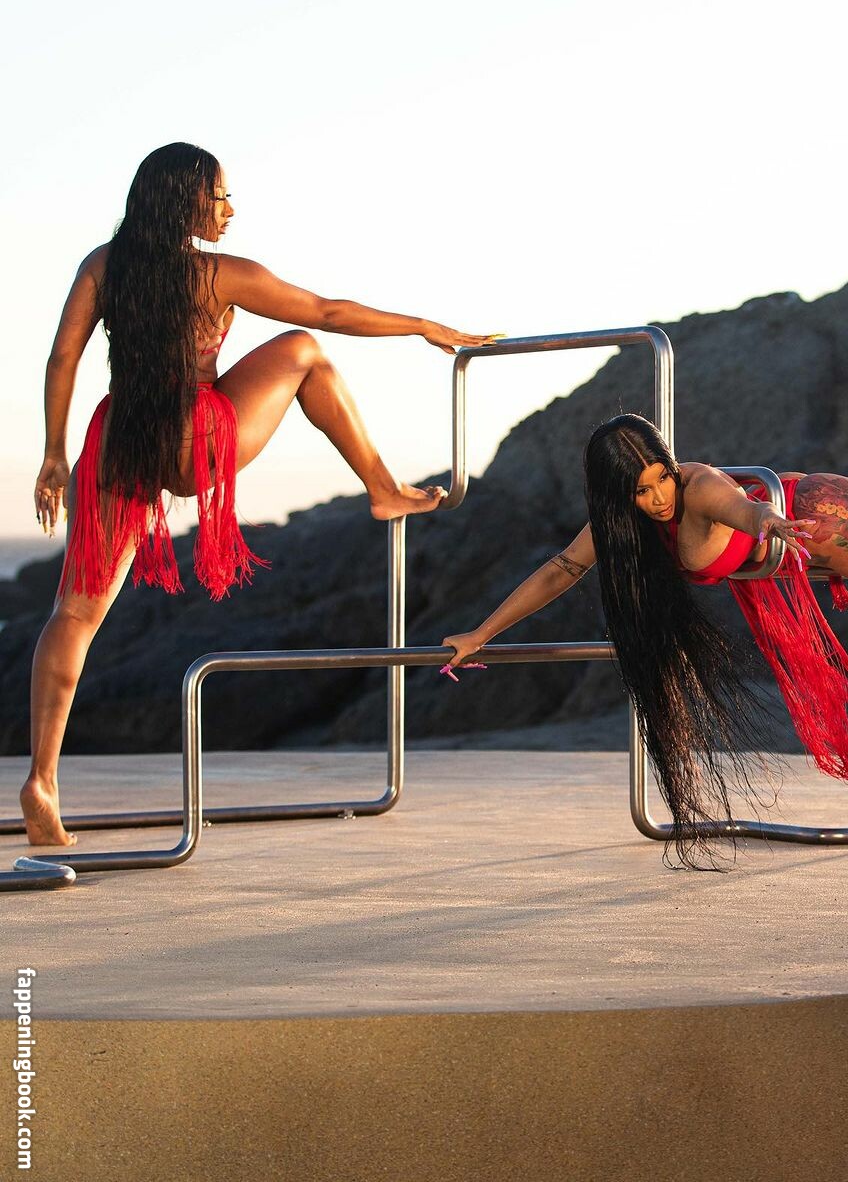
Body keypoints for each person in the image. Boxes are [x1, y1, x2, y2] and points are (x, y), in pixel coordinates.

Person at [24, 141, 499, 846]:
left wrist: (54, 454)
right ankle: (383, 489)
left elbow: (63, 355)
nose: (229, 209)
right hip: (194, 441)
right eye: (219, 195)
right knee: (305, 350)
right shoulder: (218, 274)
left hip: (118, 439)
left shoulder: (104, 264)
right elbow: (328, 311)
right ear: (186, 199)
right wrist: (424, 327)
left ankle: (41, 778)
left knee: (74, 611)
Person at [443, 341, 848, 866]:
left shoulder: (697, 486)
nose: (658, 497)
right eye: (642, 491)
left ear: (670, 465)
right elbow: (560, 571)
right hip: (815, 502)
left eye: (660, 478)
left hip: (828, 527)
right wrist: (480, 634)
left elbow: (740, 507)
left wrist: (767, 522)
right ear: (617, 496)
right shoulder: (619, 522)